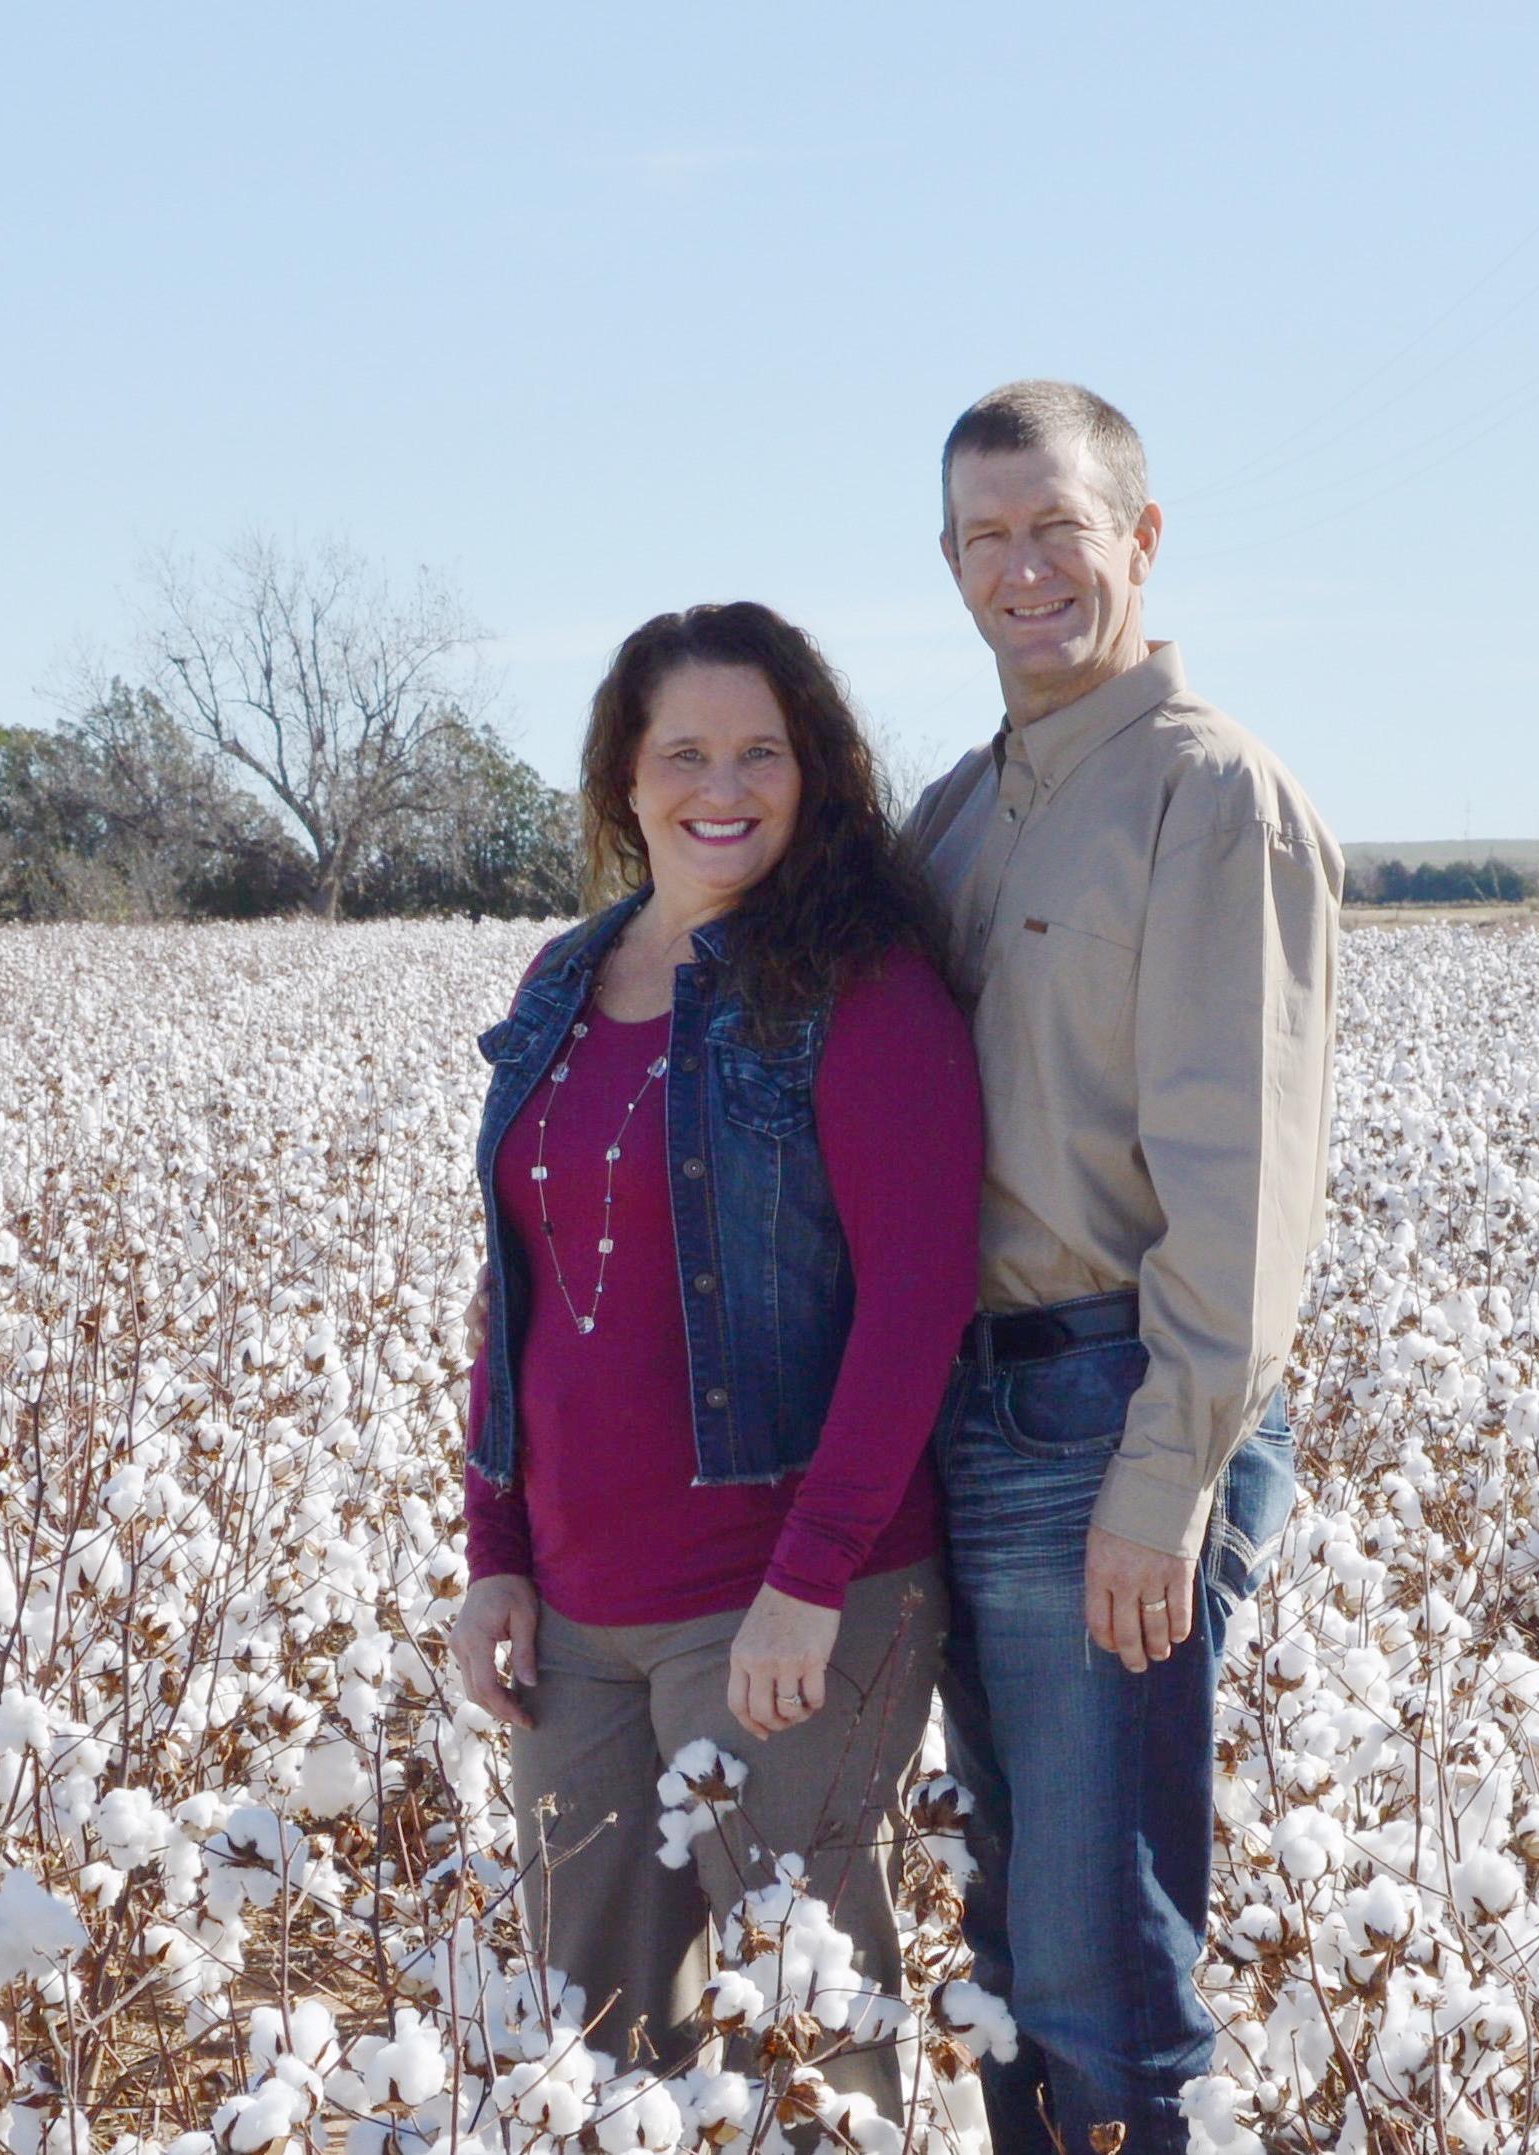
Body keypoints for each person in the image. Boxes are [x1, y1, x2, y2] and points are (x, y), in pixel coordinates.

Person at [450, 601, 982, 2111]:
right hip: (574, 1606)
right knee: (592, 2045)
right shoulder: (563, 974)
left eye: (761, 750)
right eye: (682, 751)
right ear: (624, 777)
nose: (721, 784)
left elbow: (914, 1300)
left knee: (808, 2038)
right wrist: (495, 1547)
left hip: (777, 1602)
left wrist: (809, 1576)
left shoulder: (856, 987)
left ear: (811, 772)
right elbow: (516, 1287)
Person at [903, 382, 1341, 2154]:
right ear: (947, 564)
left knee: (1099, 1969)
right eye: (985, 538)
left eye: (1056, 528)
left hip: (1109, 1418)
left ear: (1139, 540)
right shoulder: (960, 805)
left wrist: (1159, 1484)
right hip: (969, 1412)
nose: (1023, 571)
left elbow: (1243, 1185)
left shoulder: (1204, 791)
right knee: (1010, 1955)